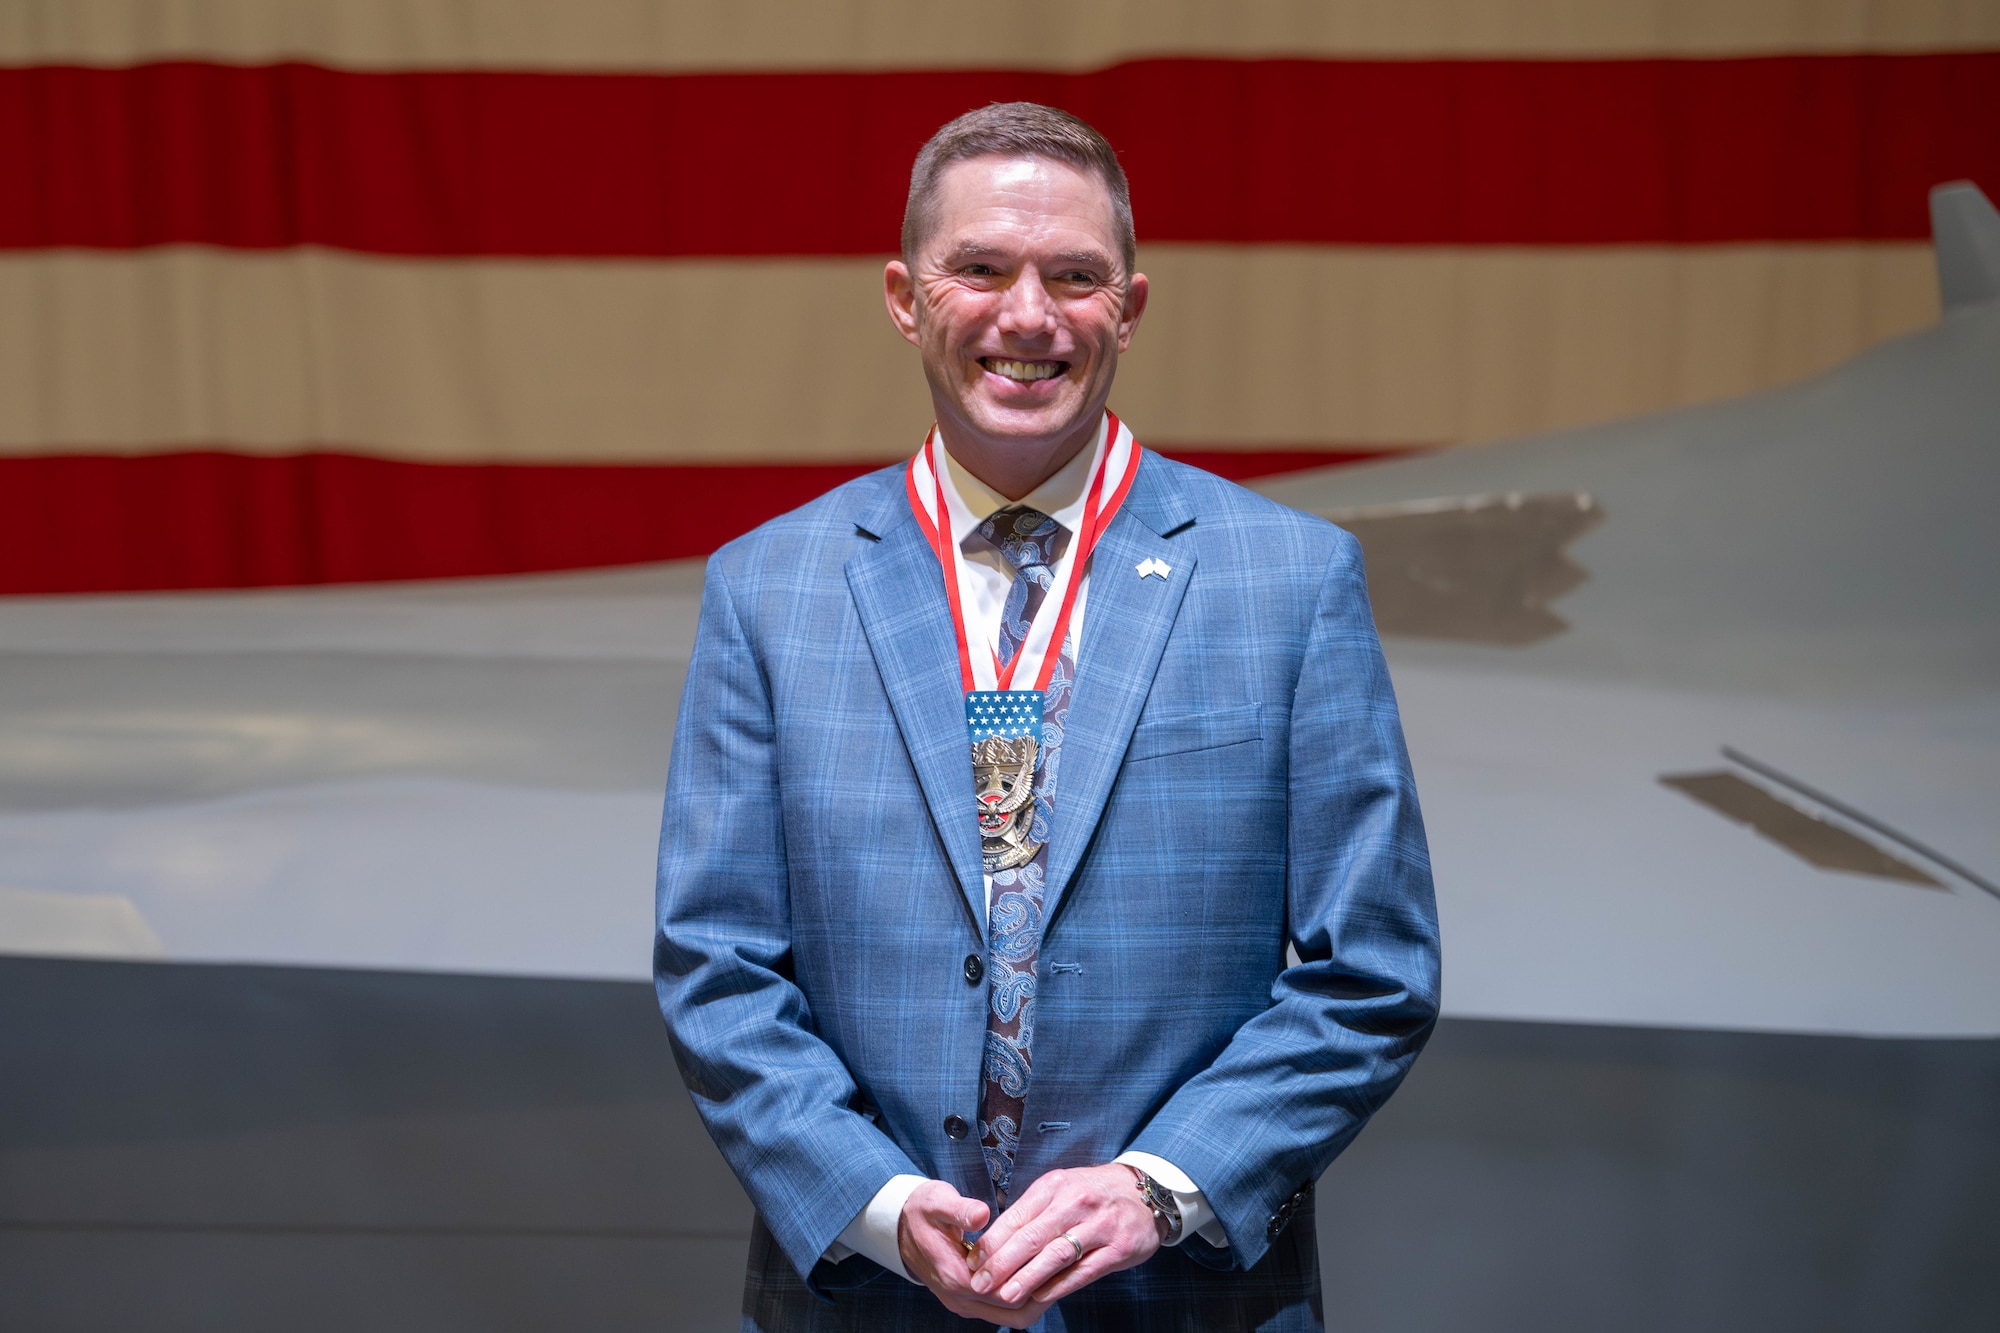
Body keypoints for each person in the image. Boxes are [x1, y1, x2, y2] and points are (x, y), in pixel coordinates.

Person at [656, 102, 1440, 1331]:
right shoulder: (770, 587)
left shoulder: (1287, 581)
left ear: (1126, 308)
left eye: (1072, 276)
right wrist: (870, 1199)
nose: (1027, 316)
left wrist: (1162, 1188)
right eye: (979, 268)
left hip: (1180, 1296)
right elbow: (718, 965)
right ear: (905, 297)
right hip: (867, 1300)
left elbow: (1372, 969)